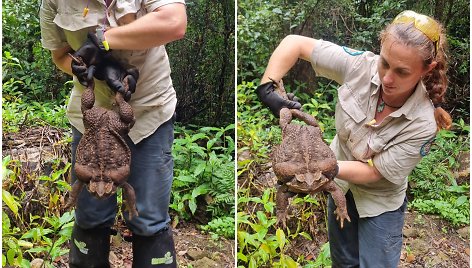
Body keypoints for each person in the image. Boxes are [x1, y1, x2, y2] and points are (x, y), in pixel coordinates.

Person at [256, 10, 452, 267]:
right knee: (344, 262)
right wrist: (268, 88)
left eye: (402, 72)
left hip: (379, 203)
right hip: (340, 188)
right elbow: (295, 43)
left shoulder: (423, 123)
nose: (387, 78)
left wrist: (320, 169)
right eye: (384, 63)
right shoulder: (360, 66)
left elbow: (375, 173)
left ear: (428, 69)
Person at [40, 1, 187, 267]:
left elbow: (174, 22)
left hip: (148, 112)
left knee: (149, 218)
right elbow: (60, 55)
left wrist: (102, 42)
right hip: (92, 118)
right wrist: (81, 66)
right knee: (90, 215)